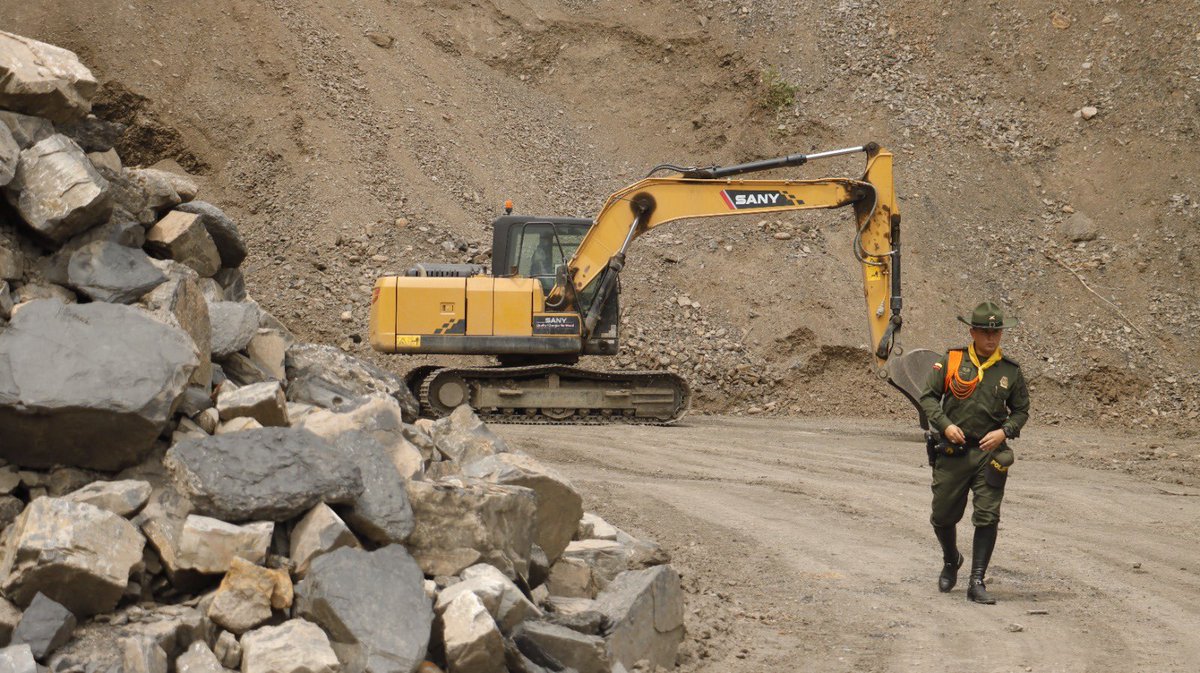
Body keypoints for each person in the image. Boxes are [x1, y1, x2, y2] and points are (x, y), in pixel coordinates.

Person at [919, 301, 1030, 604]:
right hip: (953, 452)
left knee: (987, 515)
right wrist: (944, 423)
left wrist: (1004, 432)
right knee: (942, 516)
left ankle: (976, 581)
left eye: (996, 332)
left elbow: (1021, 411)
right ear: (972, 332)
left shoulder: (1010, 371)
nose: (991, 338)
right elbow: (928, 396)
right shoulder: (952, 361)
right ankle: (951, 558)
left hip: (988, 453)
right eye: (984, 332)